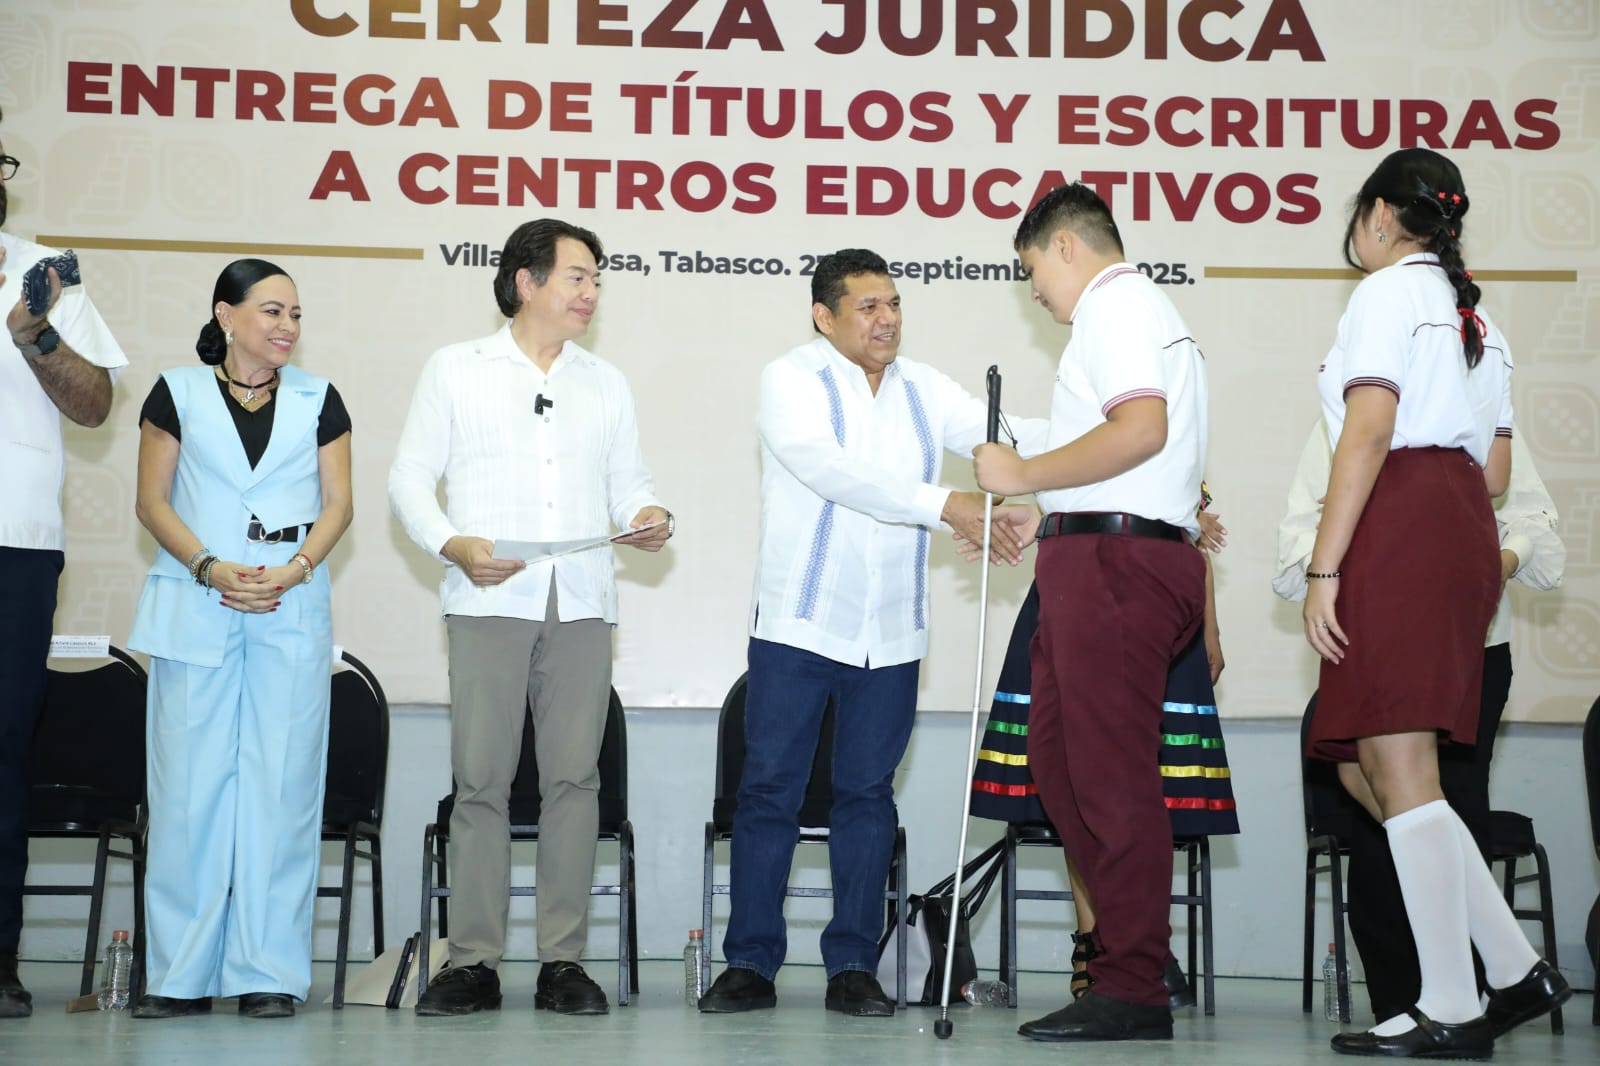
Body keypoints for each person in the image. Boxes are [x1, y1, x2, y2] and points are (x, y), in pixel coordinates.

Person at [697, 248, 1045, 1018]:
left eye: (893, 303)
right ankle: (750, 964)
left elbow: (1014, 437)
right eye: (867, 306)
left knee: (867, 799)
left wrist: (1115, 448)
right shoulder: (791, 379)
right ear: (824, 316)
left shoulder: (926, 388)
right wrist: (948, 504)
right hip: (800, 619)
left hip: (891, 634)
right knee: (769, 794)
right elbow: (832, 470)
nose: (886, 318)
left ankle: (854, 964)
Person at [1296, 147, 1569, 1058]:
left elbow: (1369, 431)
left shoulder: (1385, 293)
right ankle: (1513, 967)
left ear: (1379, 215)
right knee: (1371, 765)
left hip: (1403, 516)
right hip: (1457, 520)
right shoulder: (1471, 314)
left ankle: (1453, 999)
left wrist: (1325, 568)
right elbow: (1492, 470)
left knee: (1393, 761)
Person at [390, 218, 670, 1018]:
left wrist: (649, 514)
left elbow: (630, 484)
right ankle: (472, 961)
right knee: (479, 781)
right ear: (526, 282)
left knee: (574, 782)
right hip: (488, 599)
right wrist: (451, 543)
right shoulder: (456, 370)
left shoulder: (604, 382)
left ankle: (562, 963)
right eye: (577, 277)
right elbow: (410, 477)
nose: (590, 293)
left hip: (581, 603)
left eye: (595, 280)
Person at [972, 181, 1209, 1042]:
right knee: (1061, 763)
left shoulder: (1118, 305)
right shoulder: (1128, 315)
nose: (1034, 289)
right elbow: (1131, 452)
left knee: (1108, 776)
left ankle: (1133, 983)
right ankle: (1121, 957)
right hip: (1096, 553)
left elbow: (1141, 429)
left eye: (1032, 269)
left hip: (1119, 567)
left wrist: (1023, 475)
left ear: (1066, 246)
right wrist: (1051, 510)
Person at [1276, 417, 1563, 1028]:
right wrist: (1357, 559)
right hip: (1372, 623)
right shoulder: (1343, 420)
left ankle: (1468, 1000)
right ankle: (1441, 995)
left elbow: (1532, 522)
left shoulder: (1471, 408)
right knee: (1374, 803)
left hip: (1469, 639)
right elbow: (1299, 539)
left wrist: (1481, 566)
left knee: (1442, 801)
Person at [127, 258, 353, 1020]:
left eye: (295, 314)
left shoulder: (321, 399)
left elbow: (338, 504)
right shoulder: (177, 392)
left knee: (281, 792)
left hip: (288, 606)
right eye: (271, 311)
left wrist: (294, 569)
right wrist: (206, 563)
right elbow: (151, 500)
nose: (287, 326)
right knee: (188, 793)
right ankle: (178, 975)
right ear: (226, 315)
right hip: (196, 602)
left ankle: (268, 972)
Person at [969, 497, 1237, 1007]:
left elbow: (1191, 543)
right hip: (1072, 592)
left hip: (1154, 596)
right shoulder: (1071, 444)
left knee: (1128, 788)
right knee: (1074, 775)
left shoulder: (1155, 430)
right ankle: (1096, 945)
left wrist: (1212, 628)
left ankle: (1137, 946)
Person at [0, 112, 127, 1021]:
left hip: (15, 543)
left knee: (4, 753)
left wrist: (35, 333)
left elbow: (95, 405)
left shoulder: (40, 271)